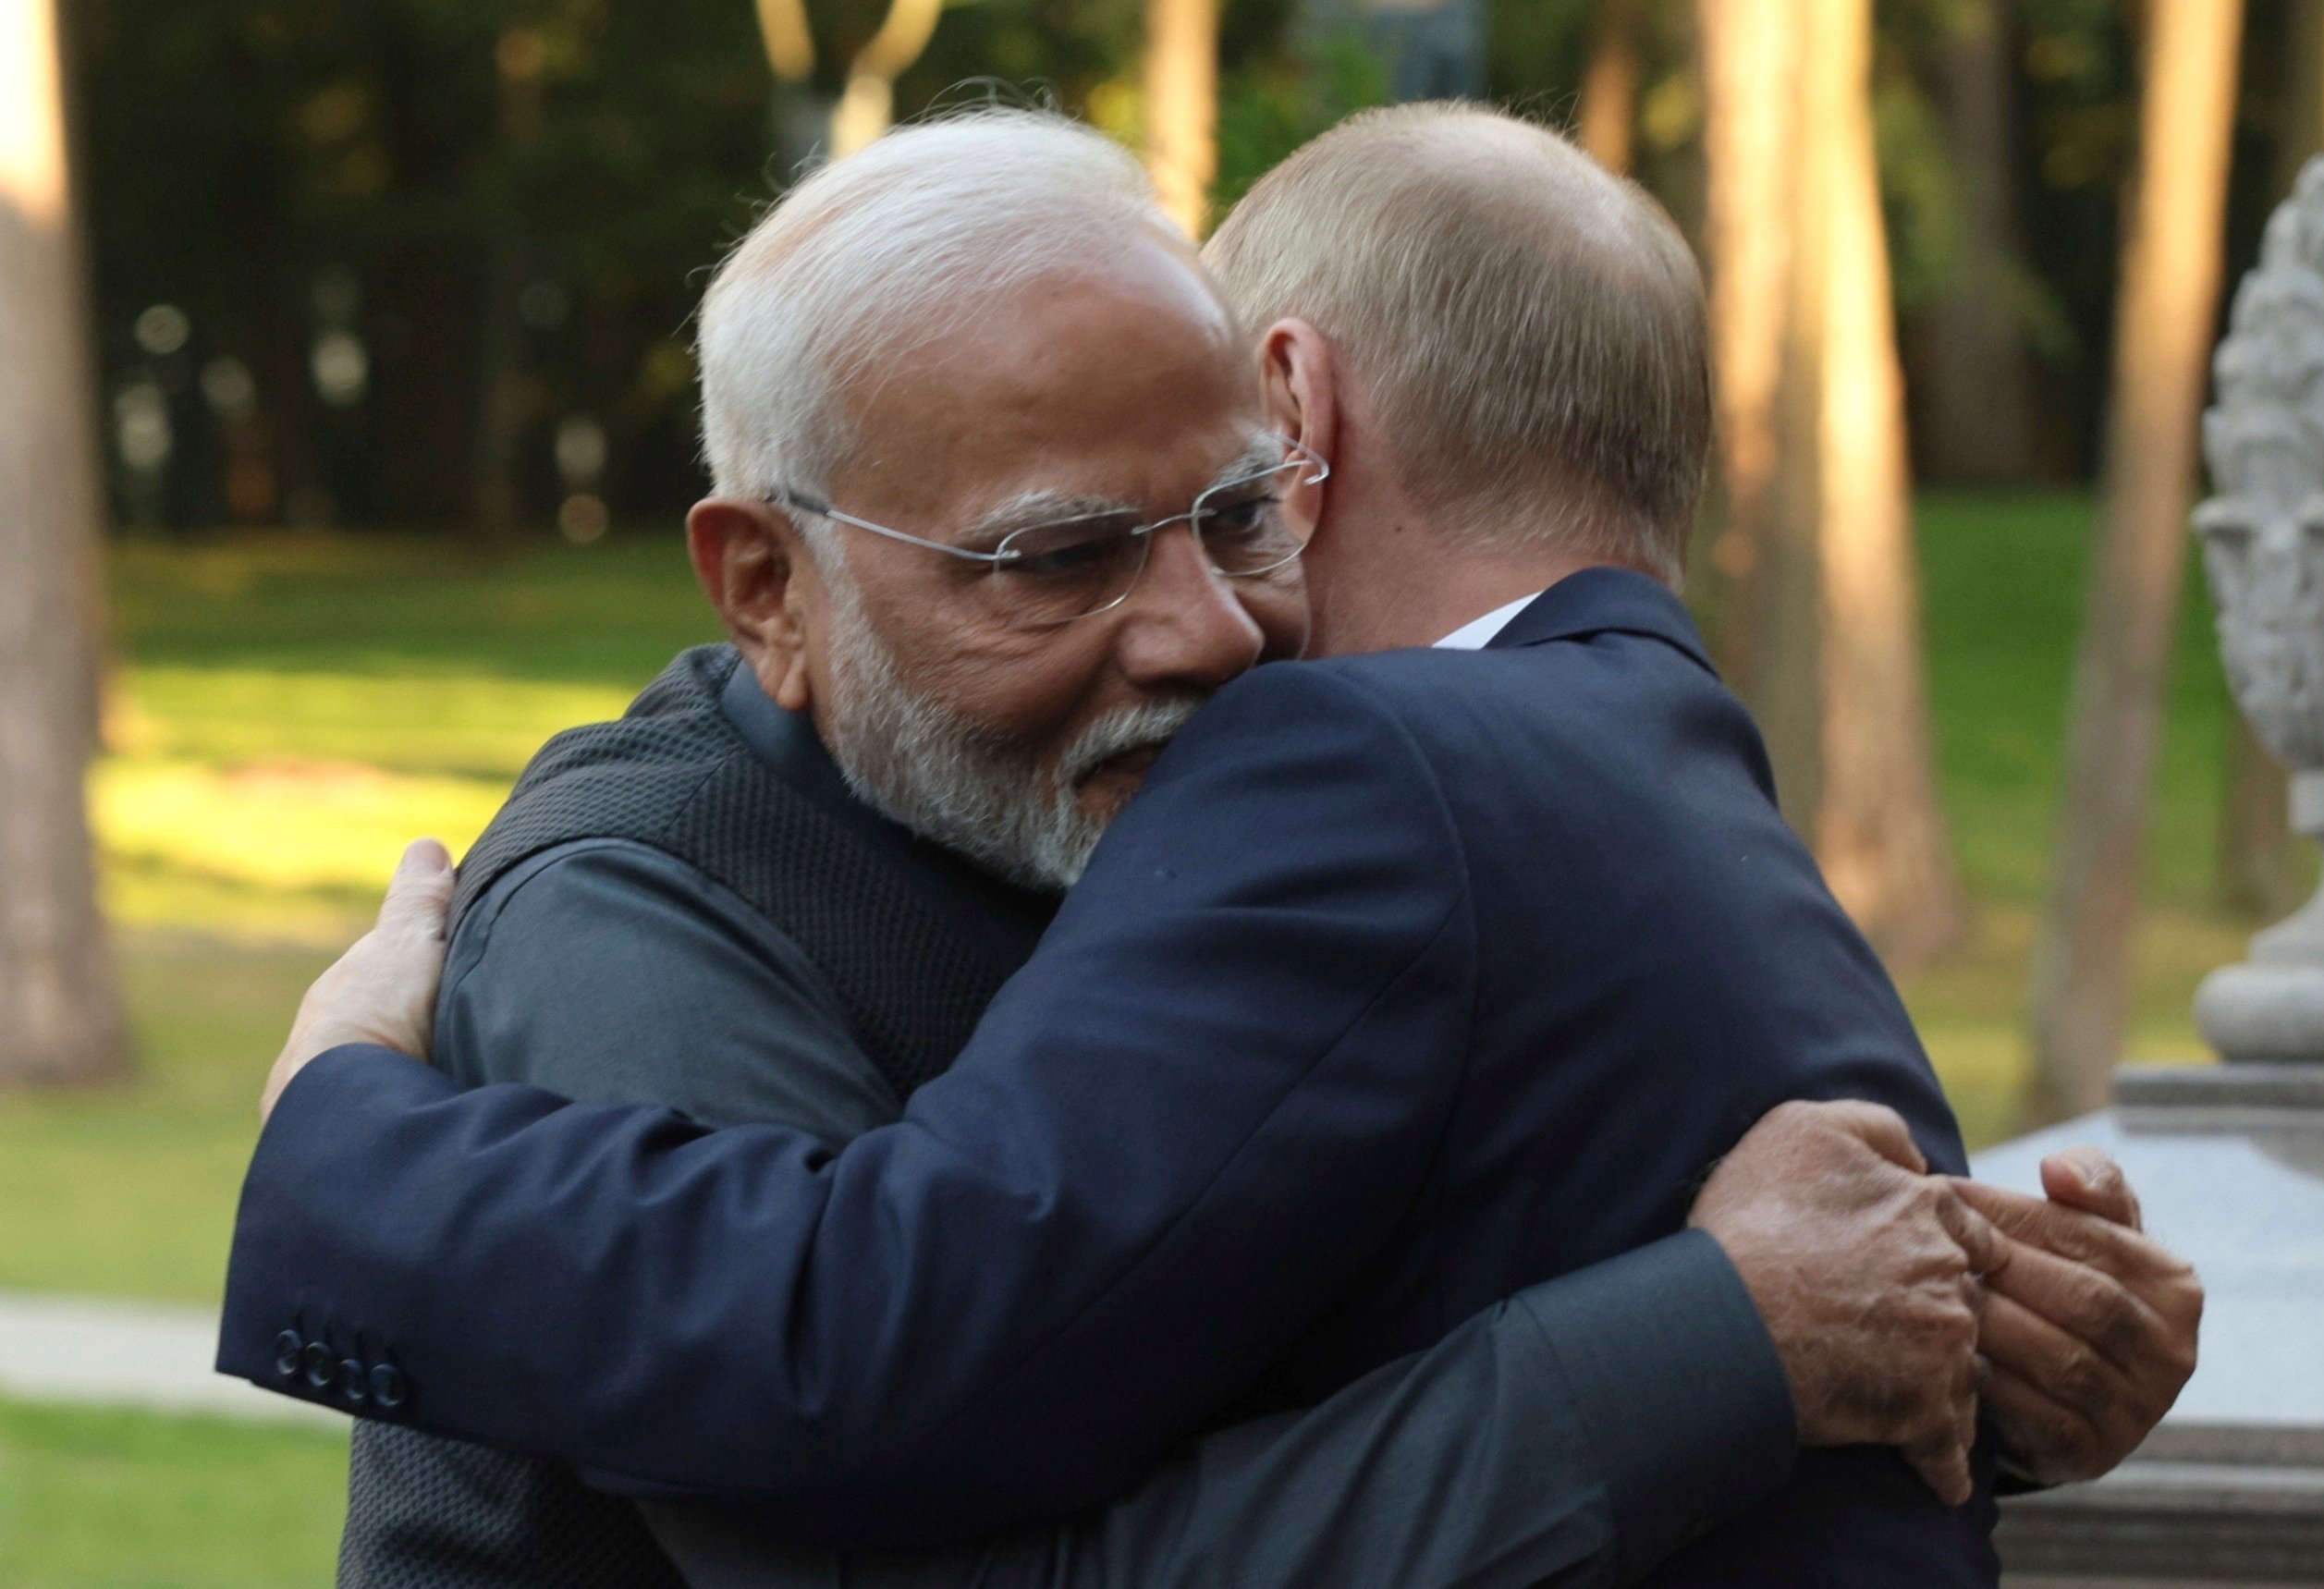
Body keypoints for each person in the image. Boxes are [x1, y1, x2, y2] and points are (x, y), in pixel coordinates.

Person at [223, 106, 2202, 1588]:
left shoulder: (1195, 806)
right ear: (764, 581)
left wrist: (1959, 1340)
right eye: (1058, 554)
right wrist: (339, 1121)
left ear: (1290, 431)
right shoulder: (646, 899)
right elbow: (876, 1437)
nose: (1210, 631)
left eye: (1239, 518)